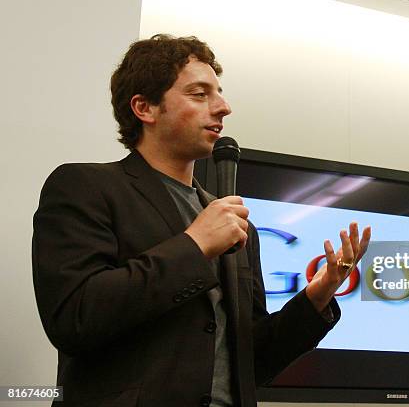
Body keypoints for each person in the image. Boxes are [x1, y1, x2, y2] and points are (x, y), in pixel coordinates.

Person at [32, 34, 371, 407]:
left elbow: (252, 362)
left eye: (219, 93)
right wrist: (194, 246)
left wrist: (317, 294)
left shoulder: (237, 225)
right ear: (145, 108)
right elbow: (74, 318)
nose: (223, 107)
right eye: (199, 94)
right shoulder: (85, 186)